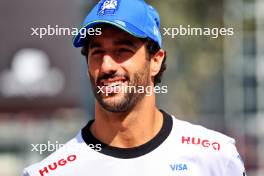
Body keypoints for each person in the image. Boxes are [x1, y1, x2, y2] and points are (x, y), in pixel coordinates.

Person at [22, 0, 247, 175]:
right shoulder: (50, 172)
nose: (107, 65)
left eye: (122, 50)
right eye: (97, 52)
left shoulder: (215, 157)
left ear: (156, 61)